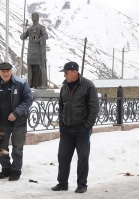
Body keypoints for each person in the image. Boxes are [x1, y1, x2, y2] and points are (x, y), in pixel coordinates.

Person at [51, 61, 99, 193]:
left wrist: (87, 126)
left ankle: (82, 185)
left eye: (66, 73)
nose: (64, 76)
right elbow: (61, 106)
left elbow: (94, 108)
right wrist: (62, 124)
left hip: (82, 129)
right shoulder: (64, 87)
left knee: (83, 157)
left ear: (74, 72)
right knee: (63, 156)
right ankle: (62, 183)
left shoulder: (88, 85)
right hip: (67, 129)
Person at [0, 62, 33, 181]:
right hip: (1, 123)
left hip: (19, 122)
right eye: (3, 71)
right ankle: (6, 169)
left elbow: (28, 100)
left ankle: (16, 171)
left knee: (17, 148)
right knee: (1, 147)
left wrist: (16, 113)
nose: (6, 73)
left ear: (12, 71)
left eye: (8, 71)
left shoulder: (21, 83)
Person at [20, 12, 48, 89]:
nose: (32, 17)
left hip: (39, 50)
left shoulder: (41, 27)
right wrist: (22, 35)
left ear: (37, 17)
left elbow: (46, 36)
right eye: (32, 16)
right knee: (29, 67)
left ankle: (43, 85)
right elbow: (24, 36)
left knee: (42, 67)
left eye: (34, 16)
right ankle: (29, 84)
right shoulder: (30, 28)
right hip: (31, 50)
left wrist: (39, 39)